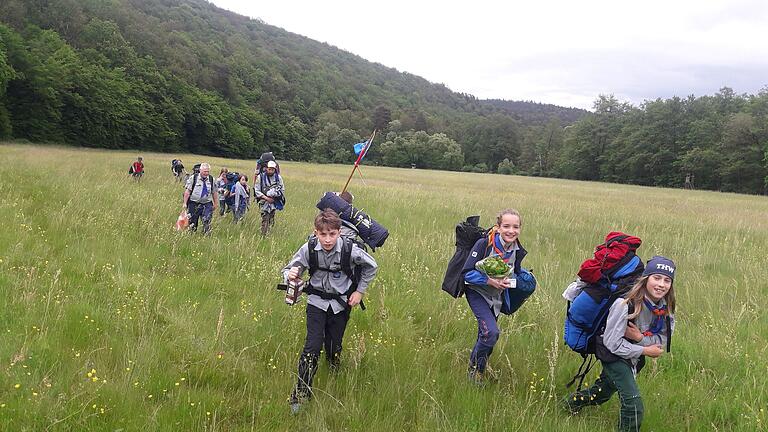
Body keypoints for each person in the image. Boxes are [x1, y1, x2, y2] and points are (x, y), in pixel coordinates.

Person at [563, 256, 677, 432]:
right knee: (633, 405)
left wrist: (639, 338)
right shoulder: (624, 304)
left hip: (634, 355)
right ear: (646, 278)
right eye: (656, 277)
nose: (661, 284)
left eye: (667, 280)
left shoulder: (665, 309)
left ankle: (568, 405)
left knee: (601, 394)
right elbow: (611, 343)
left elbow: (660, 343)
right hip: (613, 354)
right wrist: (645, 349)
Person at [282, 209, 378, 414]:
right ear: (315, 232)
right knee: (312, 348)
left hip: (341, 305)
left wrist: (360, 292)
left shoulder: (349, 250)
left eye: (332, 234)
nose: (327, 239)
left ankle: (334, 364)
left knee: (334, 345)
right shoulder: (309, 248)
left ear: (339, 232)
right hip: (316, 303)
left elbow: (372, 266)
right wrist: (290, 274)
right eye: (322, 234)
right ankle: (300, 394)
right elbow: (290, 268)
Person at [461, 209, 528, 385]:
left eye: (515, 227)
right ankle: (474, 371)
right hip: (478, 293)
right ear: (498, 227)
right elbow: (467, 274)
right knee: (491, 333)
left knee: (484, 335)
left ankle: (479, 371)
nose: (511, 231)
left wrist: (519, 283)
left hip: (497, 297)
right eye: (506, 226)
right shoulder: (484, 244)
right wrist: (489, 281)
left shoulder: (517, 250)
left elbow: (514, 274)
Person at [182, 163, 218, 235]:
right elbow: (187, 191)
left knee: (207, 220)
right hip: (194, 203)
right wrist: (185, 203)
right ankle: (192, 236)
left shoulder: (211, 179)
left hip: (207, 203)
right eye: (205, 171)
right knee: (192, 222)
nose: (206, 173)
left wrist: (216, 203)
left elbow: (214, 192)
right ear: (200, 170)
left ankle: (206, 235)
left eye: (208, 171)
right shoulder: (193, 178)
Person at [254, 160, 284, 236]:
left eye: (273, 169)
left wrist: (275, 195)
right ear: (266, 168)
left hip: (274, 202)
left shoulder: (278, 178)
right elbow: (257, 191)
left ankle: (268, 233)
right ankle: (263, 236)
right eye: (269, 169)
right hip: (264, 202)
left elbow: (282, 189)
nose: (271, 171)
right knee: (265, 219)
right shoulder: (260, 177)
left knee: (271, 219)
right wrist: (267, 198)